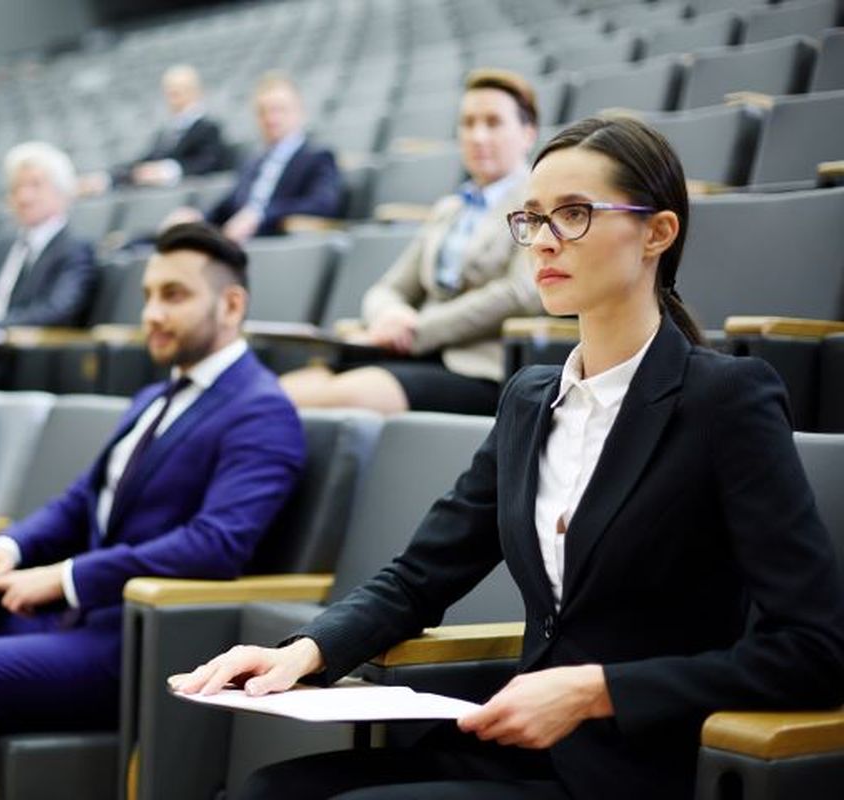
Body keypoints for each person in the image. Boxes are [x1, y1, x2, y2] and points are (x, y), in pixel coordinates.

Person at [175, 116, 844, 800]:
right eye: (531, 219)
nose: (543, 240)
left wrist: (598, 691)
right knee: (265, 791)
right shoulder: (529, 400)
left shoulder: (726, 400)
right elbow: (420, 575)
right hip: (511, 746)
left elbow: (814, 649)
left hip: (632, 767)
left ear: (657, 233)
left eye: (575, 214)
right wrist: (303, 652)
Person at [0, 222, 306, 799]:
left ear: (231, 304)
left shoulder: (262, 411)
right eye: (147, 295)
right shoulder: (153, 397)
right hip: (68, 622)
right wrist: (8, 547)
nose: (151, 312)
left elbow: (216, 544)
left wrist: (66, 577)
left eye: (173, 296)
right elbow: (79, 502)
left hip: (136, 637)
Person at [280, 68, 543, 415]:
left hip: (478, 367)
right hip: (410, 352)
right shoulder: (448, 210)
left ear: (527, 133)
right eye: (468, 123)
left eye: (493, 123)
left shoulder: (537, 202)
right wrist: (390, 315)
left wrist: (417, 331)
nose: (478, 136)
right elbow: (387, 288)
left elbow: (520, 294)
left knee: (338, 397)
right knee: (273, 394)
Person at [165, 72, 342, 243]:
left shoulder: (317, 156)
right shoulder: (253, 161)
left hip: (273, 239)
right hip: (235, 241)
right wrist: (197, 218)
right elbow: (229, 206)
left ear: (300, 112)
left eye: (279, 109)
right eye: (262, 112)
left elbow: (322, 204)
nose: (270, 118)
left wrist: (262, 215)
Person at [0, 141, 97, 338]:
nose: (24, 197)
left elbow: (57, 311)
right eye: (16, 188)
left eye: (35, 185)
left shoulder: (74, 249)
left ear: (63, 193)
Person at [81, 64, 231, 194]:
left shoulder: (209, 127)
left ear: (195, 92)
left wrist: (166, 172)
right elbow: (145, 161)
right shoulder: (166, 131)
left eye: (177, 93)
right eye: (169, 93)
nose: (171, 99)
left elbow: (209, 163)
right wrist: (108, 178)